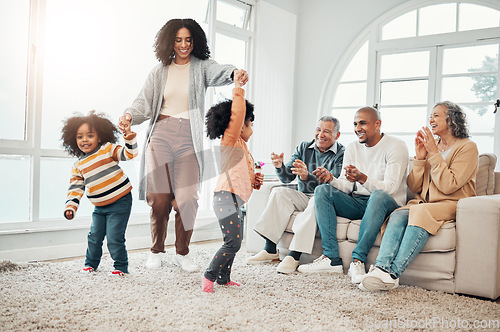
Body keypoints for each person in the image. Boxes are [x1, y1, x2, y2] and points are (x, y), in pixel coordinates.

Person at [118, 18, 248, 272]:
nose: (183, 45)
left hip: (188, 138)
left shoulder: (200, 67)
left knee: (188, 198)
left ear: (195, 41)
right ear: (169, 41)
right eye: (178, 40)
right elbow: (143, 104)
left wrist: (235, 73)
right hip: (160, 136)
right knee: (159, 197)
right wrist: (129, 116)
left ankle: (182, 252)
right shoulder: (159, 72)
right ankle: (156, 250)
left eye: (188, 39)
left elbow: (219, 70)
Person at [360, 101, 478, 291]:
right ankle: (381, 269)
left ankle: (392, 274)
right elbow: (414, 186)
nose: (431, 119)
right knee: (399, 213)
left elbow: (449, 186)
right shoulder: (433, 145)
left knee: (420, 211)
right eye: (430, 115)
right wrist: (420, 158)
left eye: (436, 115)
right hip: (424, 202)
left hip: (452, 203)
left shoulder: (467, 147)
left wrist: (432, 152)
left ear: (452, 119)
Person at [297, 107, 408, 281]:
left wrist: (363, 178)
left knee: (378, 196)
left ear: (377, 124)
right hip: (359, 202)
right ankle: (331, 258)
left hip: (387, 203)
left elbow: (391, 188)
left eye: (363, 123)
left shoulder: (396, 146)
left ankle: (358, 260)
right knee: (323, 190)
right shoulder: (353, 147)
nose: (357, 128)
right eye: (355, 124)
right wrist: (331, 179)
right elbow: (347, 186)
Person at [246, 116, 345, 274]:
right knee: (279, 192)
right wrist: (280, 167)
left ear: (337, 135)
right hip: (303, 196)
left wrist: (307, 177)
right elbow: (287, 178)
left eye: (326, 131)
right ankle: (270, 249)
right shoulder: (304, 147)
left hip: (325, 199)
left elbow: (335, 184)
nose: (320, 134)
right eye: (318, 129)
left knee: (315, 202)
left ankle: (294, 256)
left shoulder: (341, 154)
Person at [202, 72, 261, 293]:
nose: (251, 127)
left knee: (236, 241)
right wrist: (238, 88)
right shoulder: (231, 141)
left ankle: (224, 278)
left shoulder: (244, 150)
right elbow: (237, 115)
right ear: (239, 125)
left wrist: (255, 180)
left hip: (234, 199)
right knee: (233, 243)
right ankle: (209, 275)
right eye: (250, 122)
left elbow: (244, 178)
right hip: (224, 197)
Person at [61, 111, 138, 276]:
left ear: (100, 137)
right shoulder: (78, 165)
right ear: (73, 140)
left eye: (89, 135)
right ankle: (90, 264)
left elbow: (129, 154)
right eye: (80, 137)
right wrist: (71, 206)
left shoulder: (107, 149)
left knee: (114, 237)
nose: (84, 140)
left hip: (120, 201)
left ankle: (121, 267)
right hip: (99, 207)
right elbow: (75, 188)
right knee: (94, 237)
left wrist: (129, 136)